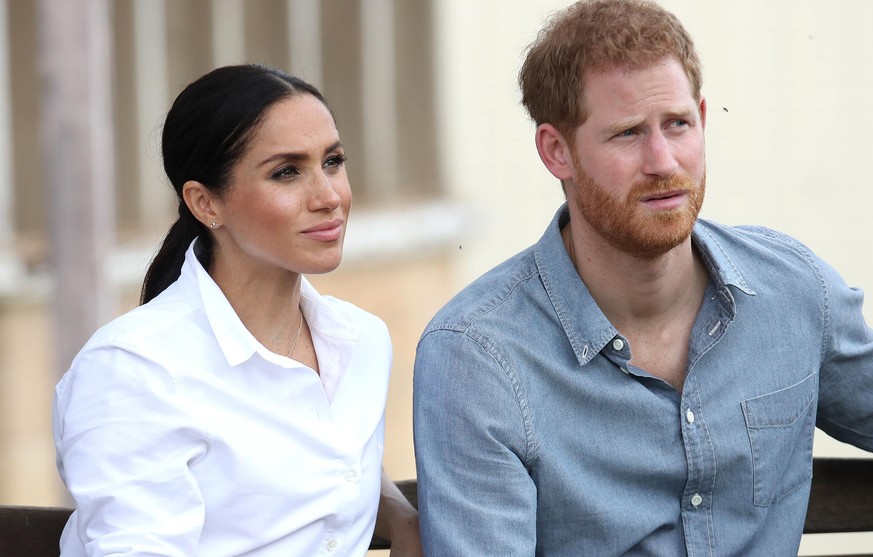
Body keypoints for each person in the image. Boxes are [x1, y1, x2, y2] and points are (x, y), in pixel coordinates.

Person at [412, 0, 873, 555]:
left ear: (703, 116)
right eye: (628, 134)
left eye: (678, 125)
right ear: (557, 151)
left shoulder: (794, 292)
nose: (663, 161)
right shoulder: (477, 358)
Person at [53, 64, 420, 556]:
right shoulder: (134, 370)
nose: (329, 197)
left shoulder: (361, 341)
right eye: (286, 172)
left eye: (332, 161)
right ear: (206, 203)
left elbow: (328, 455)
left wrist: (399, 514)